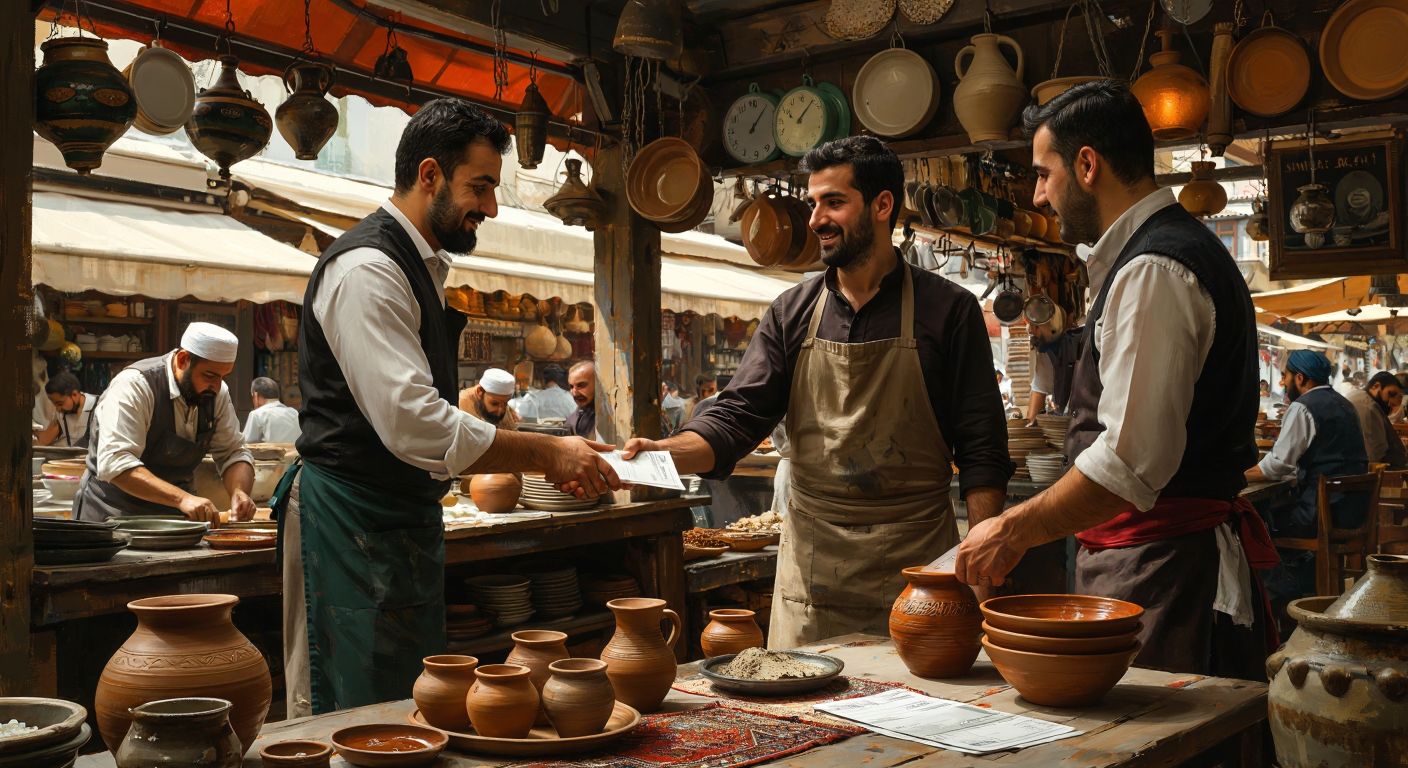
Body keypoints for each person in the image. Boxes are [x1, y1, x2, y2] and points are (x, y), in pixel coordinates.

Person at [282, 98, 621, 718]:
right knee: (353, 711)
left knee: (403, 703)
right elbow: (414, 422)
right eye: (481, 186)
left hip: (393, 520)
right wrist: (547, 452)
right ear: (430, 175)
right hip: (347, 520)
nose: (491, 207)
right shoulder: (369, 270)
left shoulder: (418, 265)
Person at [624, 135, 1011, 648]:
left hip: (920, 573)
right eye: (813, 203)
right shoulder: (792, 312)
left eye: (833, 202)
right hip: (812, 577)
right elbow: (737, 417)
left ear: (882, 205)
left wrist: (981, 572)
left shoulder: (949, 311)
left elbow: (983, 449)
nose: (815, 220)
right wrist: (660, 455)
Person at [955, 81, 1275, 679]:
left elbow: (1129, 462)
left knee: (1159, 727)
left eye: (1043, 174)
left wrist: (1013, 529)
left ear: (1087, 165)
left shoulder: (1155, 269)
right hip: (1147, 560)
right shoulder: (1155, 256)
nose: (1039, 195)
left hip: (1166, 570)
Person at [74, 322, 255, 525]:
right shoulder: (134, 385)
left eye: (223, 377)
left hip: (175, 521)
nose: (216, 386)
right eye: (209, 375)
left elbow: (233, 452)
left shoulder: (217, 393)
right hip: (112, 516)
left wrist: (239, 492)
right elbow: (116, 462)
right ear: (183, 360)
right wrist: (182, 499)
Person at [1247, 351, 1369, 625]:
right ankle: (1305, 584)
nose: (1283, 382)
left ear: (1300, 378)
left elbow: (1276, 466)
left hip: (1321, 515)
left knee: (1256, 523)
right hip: (1353, 511)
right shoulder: (1345, 404)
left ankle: (1283, 600)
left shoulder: (1303, 407)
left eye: (1286, 376)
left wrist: (1239, 476)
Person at [1344, 371, 1406, 469]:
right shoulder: (1366, 405)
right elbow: (1373, 453)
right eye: (1391, 394)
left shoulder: (1364, 399)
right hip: (1375, 470)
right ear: (1376, 386)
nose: (1392, 401)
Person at [1025, 329, 1081, 424]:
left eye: (1037, 325)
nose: (1030, 330)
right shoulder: (1045, 350)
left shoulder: (1083, 340)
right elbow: (1038, 393)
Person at [35, 372, 95, 448]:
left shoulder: (98, 407)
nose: (57, 409)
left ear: (74, 395)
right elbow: (44, 440)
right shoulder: (61, 414)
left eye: (60, 403)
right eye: (55, 404)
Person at [242, 377, 302, 444]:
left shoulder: (257, 414)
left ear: (256, 395)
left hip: (270, 451)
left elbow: (245, 443)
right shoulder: (294, 413)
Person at [566, 361, 597, 439]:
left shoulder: (608, 418)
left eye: (581, 385)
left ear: (597, 384)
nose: (574, 393)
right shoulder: (572, 420)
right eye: (571, 387)